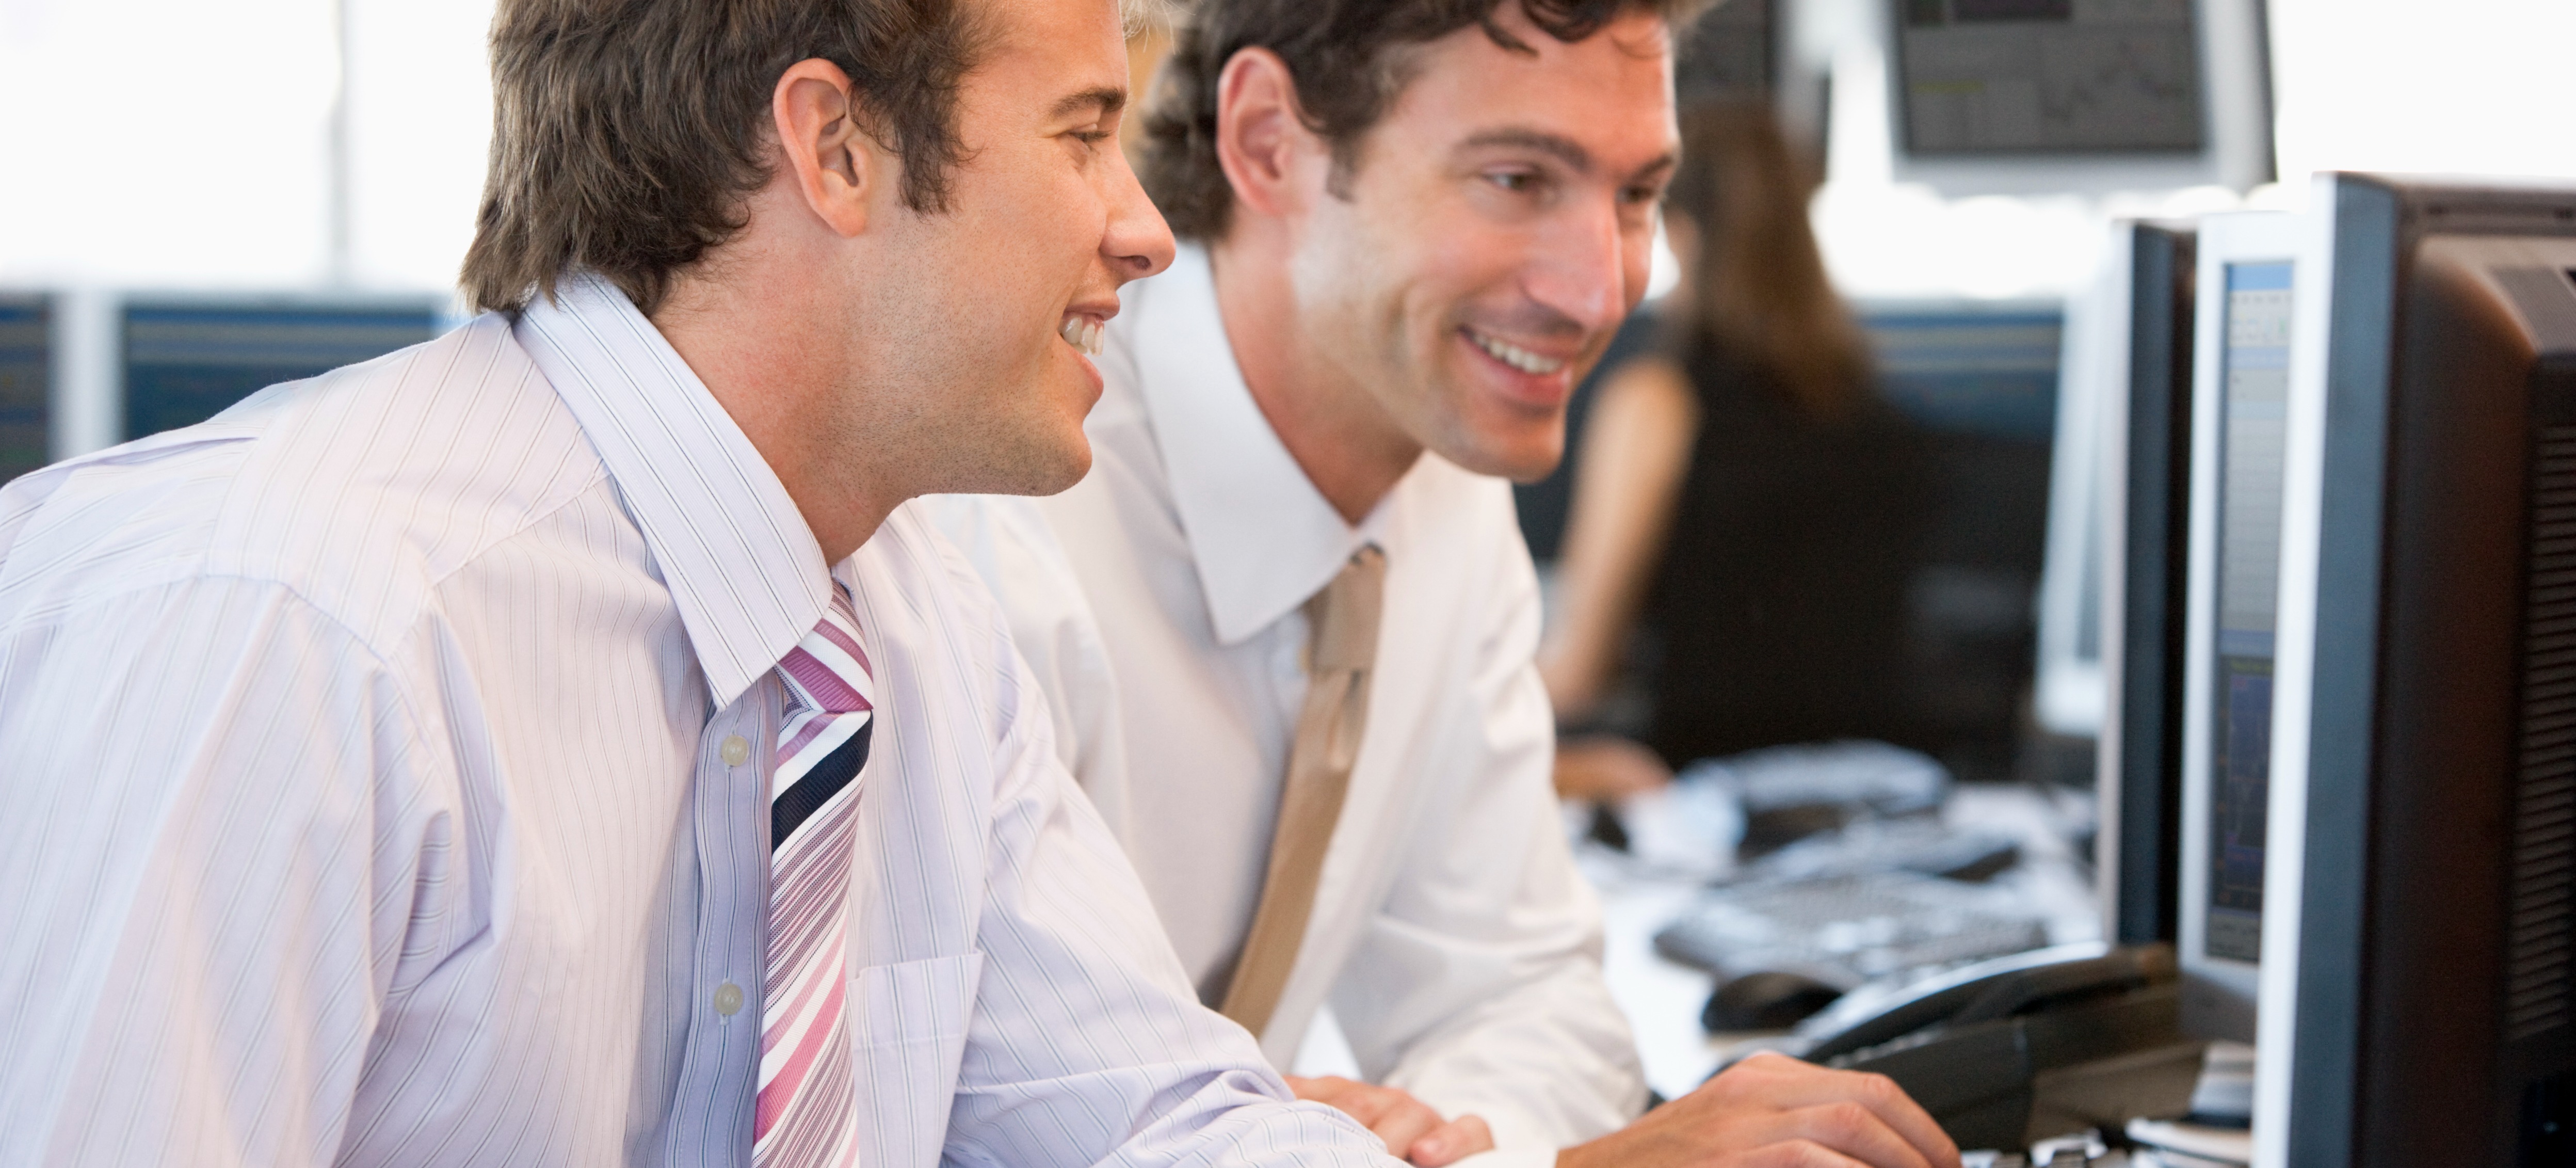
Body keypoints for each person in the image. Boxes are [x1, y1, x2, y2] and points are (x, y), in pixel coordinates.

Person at [0, 1, 1408, 1165]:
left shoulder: (916, 631)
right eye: (1086, 134)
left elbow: (1143, 1127)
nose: (1147, 229)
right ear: (836, 147)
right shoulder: (289, 621)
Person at [930, 3, 1961, 1167]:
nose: (1599, 291)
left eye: (1636, 196)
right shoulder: (998, 512)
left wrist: (1445, 1151)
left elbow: (1534, 1003)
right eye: (1518, 179)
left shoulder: (1438, 479)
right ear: (1271, 143)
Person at [1538, 103, 1930, 795]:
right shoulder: (1879, 413)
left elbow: (1577, 678)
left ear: (1680, 236)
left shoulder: (1658, 403)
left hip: (1706, 797)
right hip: (1872, 791)